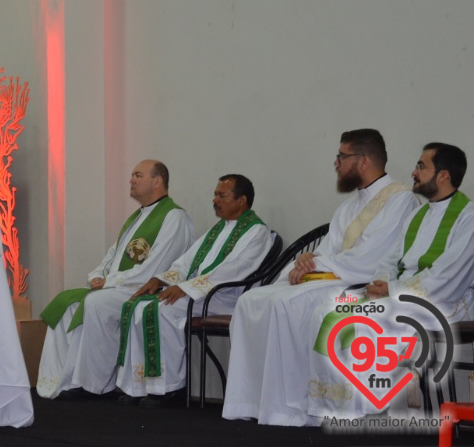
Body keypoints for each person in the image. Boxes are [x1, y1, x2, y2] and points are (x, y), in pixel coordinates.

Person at [222, 129, 419, 426]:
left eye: (342, 155)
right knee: (252, 299)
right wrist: (304, 262)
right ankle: (253, 402)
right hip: (336, 277)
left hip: (360, 284)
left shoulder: (401, 200)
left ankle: (289, 406)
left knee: (283, 306)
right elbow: (326, 251)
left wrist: (315, 265)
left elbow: (372, 258)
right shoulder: (350, 205)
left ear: (363, 160)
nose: (336, 162)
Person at [306, 142, 474, 420]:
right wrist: (381, 285)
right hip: (401, 296)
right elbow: (390, 259)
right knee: (325, 314)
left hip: (445, 302)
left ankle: (369, 407)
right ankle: (335, 404)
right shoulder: (418, 214)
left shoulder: (468, 218)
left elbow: (448, 275)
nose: (414, 171)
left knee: (366, 321)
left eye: (421, 166)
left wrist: (393, 290)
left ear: (443, 175)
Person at [36, 160, 195, 399]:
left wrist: (108, 283)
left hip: (144, 289)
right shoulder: (136, 218)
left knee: (97, 303)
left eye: (138, 175)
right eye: (132, 175)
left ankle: (95, 385)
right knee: (66, 304)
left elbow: (155, 269)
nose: (131, 180)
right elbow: (113, 255)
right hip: (122, 286)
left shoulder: (174, 217)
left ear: (157, 181)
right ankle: (64, 379)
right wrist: (97, 276)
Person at [115, 174, 274, 406]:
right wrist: (159, 279)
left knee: (162, 310)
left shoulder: (256, 232)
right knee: (137, 307)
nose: (215, 200)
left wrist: (186, 288)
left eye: (222, 195)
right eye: (215, 195)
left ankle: (169, 388)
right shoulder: (217, 230)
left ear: (242, 200)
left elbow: (233, 270)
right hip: (201, 294)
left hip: (224, 297)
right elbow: (185, 262)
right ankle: (139, 386)